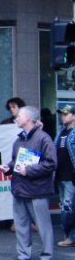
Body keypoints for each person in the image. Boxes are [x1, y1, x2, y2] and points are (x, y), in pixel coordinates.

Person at [1, 106, 57, 260]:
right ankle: (23, 256)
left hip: (37, 191)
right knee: (21, 225)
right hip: (20, 189)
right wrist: (9, 168)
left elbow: (51, 163)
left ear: (29, 118)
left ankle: (47, 257)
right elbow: (16, 162)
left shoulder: (43, 139)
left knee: (43, 226)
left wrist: (29, 170)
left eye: (19, 116)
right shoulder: (19, 140)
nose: (16, 118)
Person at [55, 105, 75, 248]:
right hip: (61, 177)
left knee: (68, 208)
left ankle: (70, 237)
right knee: (65, 207)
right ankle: (69, 236)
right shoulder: (61, 133)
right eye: (62, 114)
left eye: (66, 114)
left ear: (74, 116)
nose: (63, 116)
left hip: (71, 178)